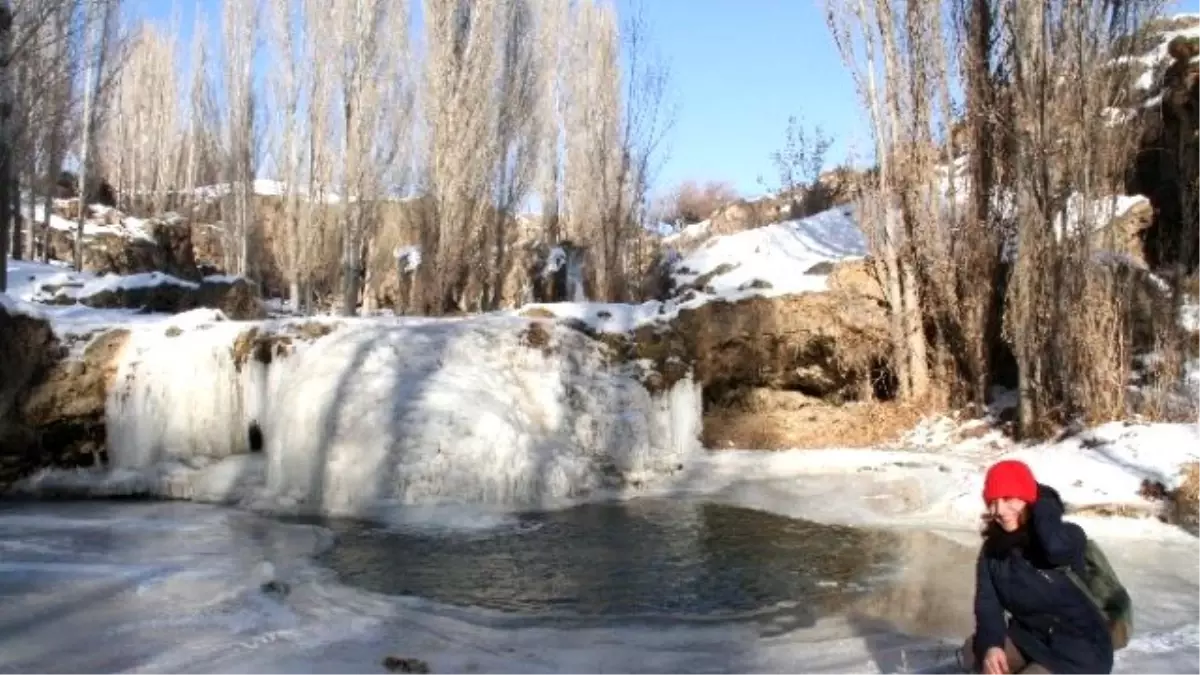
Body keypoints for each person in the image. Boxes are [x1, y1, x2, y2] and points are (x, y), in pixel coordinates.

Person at [957, 459, 1114, 675]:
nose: (1000, 510)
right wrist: (992, 646)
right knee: (975, 652)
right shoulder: (993, 550)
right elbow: (988, 605)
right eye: (992, 502)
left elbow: (1056, 550)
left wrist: (1044, 504)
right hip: (1029, 639)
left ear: (1029, 499)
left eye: (1008, 498)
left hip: (1078, 651)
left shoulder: (1068, 536)